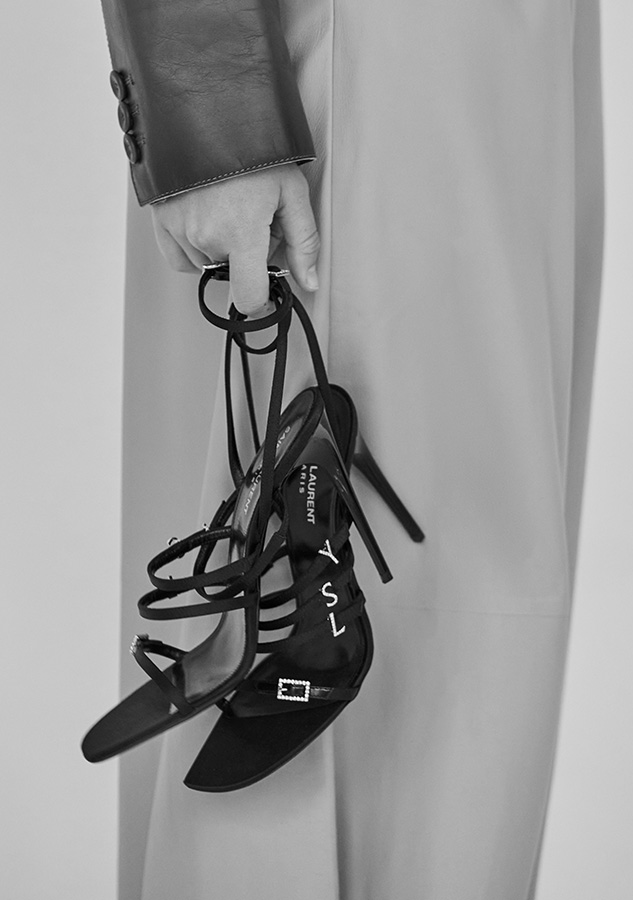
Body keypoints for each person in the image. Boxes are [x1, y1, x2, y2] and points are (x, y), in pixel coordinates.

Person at [99, 0, 604, 897]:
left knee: (483, 632)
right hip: (350, 61)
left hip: (508, 64)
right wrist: (214, 108)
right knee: (310, 644)